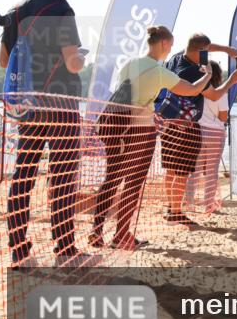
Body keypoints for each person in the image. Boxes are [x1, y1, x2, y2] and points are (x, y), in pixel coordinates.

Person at [0, 0, 89, 267]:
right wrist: (82, 58)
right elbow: (71, 62)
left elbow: (3, 61)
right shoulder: (63, 10)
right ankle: (64, 247)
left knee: (23, 173)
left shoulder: (16, 11)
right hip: (61, 105)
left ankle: (19, 250)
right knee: (62, 176)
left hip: (28, 105)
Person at [91, 26, 213, 249]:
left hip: (116, 126)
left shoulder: (129, 64)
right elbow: (192, 90)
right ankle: (121, 235)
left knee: (111, 179)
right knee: (133, 184)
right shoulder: (159, 72)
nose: (170, 50)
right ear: (165, 44)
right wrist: (207, 75)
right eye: (171, 45)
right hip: (139, 131)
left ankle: (96, 233)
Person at [156, 33, 237, 227]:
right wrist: (232, 81)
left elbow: (202, 46)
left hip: (169, 122)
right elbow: (214, 95)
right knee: (182, 172)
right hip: (186, 126)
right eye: (206, 53)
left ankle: (171, 208)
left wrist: (227, 50)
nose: (207, 57)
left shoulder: (176, 58)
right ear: (200, 52)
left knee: (170, 169)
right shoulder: (194, 72)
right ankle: (176, 212)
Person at [193, 61, 229, 212]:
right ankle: (208, 204)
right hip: (215, 132)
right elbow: (223, 117)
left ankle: (188, 201)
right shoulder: (220, 92)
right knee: (211, 171)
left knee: (194, 170)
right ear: (218, 75)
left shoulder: (196, 90)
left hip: (198, 130)